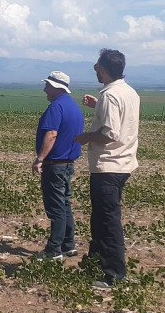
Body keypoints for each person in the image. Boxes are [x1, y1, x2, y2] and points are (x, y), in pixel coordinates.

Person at [75, 49, 140, 289]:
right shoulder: (129, 92)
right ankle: (94, 264)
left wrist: (85, 138)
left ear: (103, 69)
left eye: (96, 67)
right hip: (123, 163)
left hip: (108, 165)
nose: (95, 70)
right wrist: (98, 105)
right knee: (101, 218)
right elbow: (121, 121)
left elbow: (110, 134)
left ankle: (114, 274)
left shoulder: (111, 95)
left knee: (108, 220)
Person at [32, 71, 84, 260]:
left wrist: (40, 159)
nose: (45, 89)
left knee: (56, 208)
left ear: (55, 87)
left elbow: (51, 134)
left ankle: (54, 249)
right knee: (65, 204)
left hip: (55, 165)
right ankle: (68, 245)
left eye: (47, 85)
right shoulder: (74, 107)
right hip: (68, 164)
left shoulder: (56, 107)